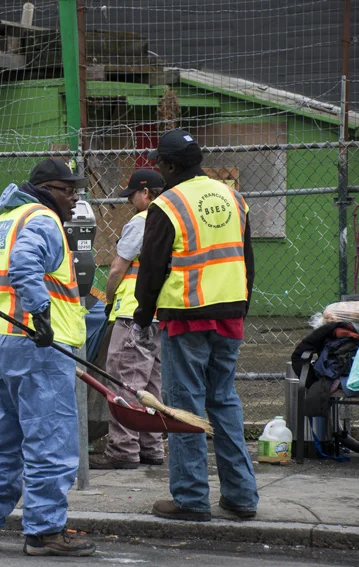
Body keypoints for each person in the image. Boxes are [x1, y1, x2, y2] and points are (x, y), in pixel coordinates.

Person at [0, 158, 95, 557]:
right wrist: (39, 313)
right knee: (49, 437)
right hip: (37, 345)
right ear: (46, 189)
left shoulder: (1, 223)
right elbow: (24, 265)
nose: (73, 199)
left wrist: (5, 305)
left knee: (3, 434)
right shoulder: (44, 220)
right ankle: (45, 531)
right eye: (67, 190)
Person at [133, 129, 258, 521]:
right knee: (223, 401)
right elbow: (246, 261)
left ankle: (190, 499)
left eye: (160, 165)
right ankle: (241, 496)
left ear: (169, 166)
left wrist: (142, 314)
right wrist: (241, 308)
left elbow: (152, 268)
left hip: (186, 317)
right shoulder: (233, 197)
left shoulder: (167, 205)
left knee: (182, 408)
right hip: (229, 315)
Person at [90, 169, 166, 470]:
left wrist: (108, 297)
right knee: (150, 383)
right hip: (162, 315)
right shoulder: (172, 220)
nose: (131, 201)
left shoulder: (141, 221)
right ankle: (151, 445)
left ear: (145, 193)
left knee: (124, 381)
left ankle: (123, 448)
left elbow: (116, 271)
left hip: (132, 313)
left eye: (133, 195)